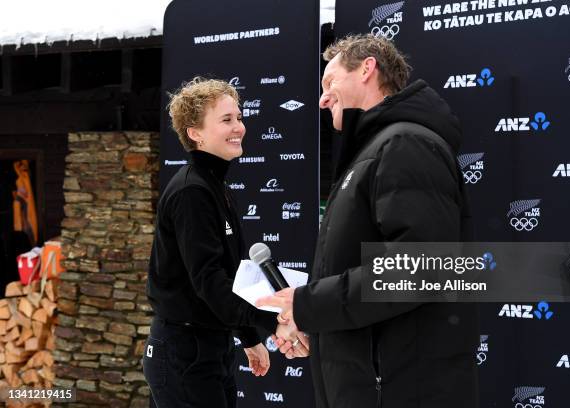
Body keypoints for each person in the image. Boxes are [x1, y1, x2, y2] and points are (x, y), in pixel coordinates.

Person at [257, 34, 479, 408]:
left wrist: (310, 305)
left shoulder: (404, 145)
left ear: (367, 69)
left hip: (399, 390)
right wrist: (315, 322)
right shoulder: (374, 152)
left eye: (330, 82)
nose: (322, 98)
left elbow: (421, 266)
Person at [144, 78, 278, 408]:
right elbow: (210, 283)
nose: (239, 127)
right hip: (183, 353)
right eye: (227, 120)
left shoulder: (216, 187)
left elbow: (232, 273)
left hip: (209, 347)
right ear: (195, 133)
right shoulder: (193, 192)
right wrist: (275, 322)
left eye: (239, 117)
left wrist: (249, 337)